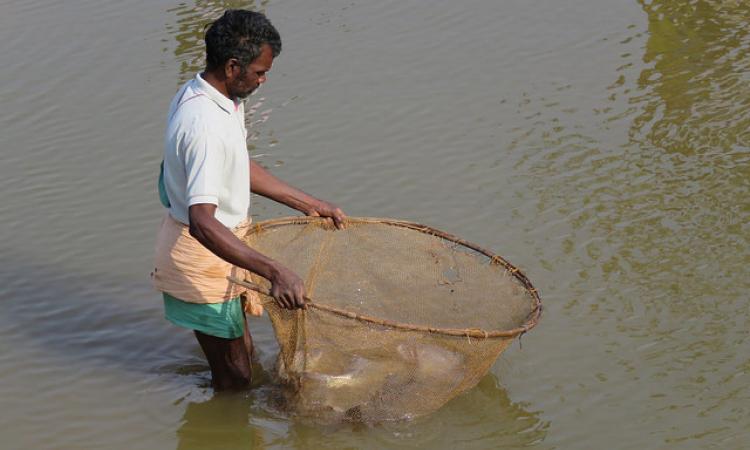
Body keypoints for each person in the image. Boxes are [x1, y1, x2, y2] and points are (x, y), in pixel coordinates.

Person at [152, 10, 346, 391]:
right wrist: (276, 271)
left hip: (224, 248)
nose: (263, 80)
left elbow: (237, 163)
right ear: (232, 66)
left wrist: (307, 203)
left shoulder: (213, 96)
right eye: (258, 72)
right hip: (203, 258)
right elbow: (202, 222)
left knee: (245, 357)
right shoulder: (204, 124)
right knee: (235, 379)